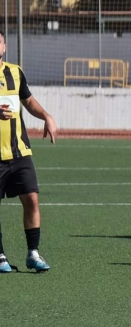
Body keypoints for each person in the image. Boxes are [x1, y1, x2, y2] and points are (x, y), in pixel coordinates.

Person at [0, 29, 56, 274]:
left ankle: (33, 253)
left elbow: (28, 100)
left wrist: (46, 116)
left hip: (20, 151)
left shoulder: (15, 71)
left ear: (3, 47)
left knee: (32, 198)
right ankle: (0, 255)